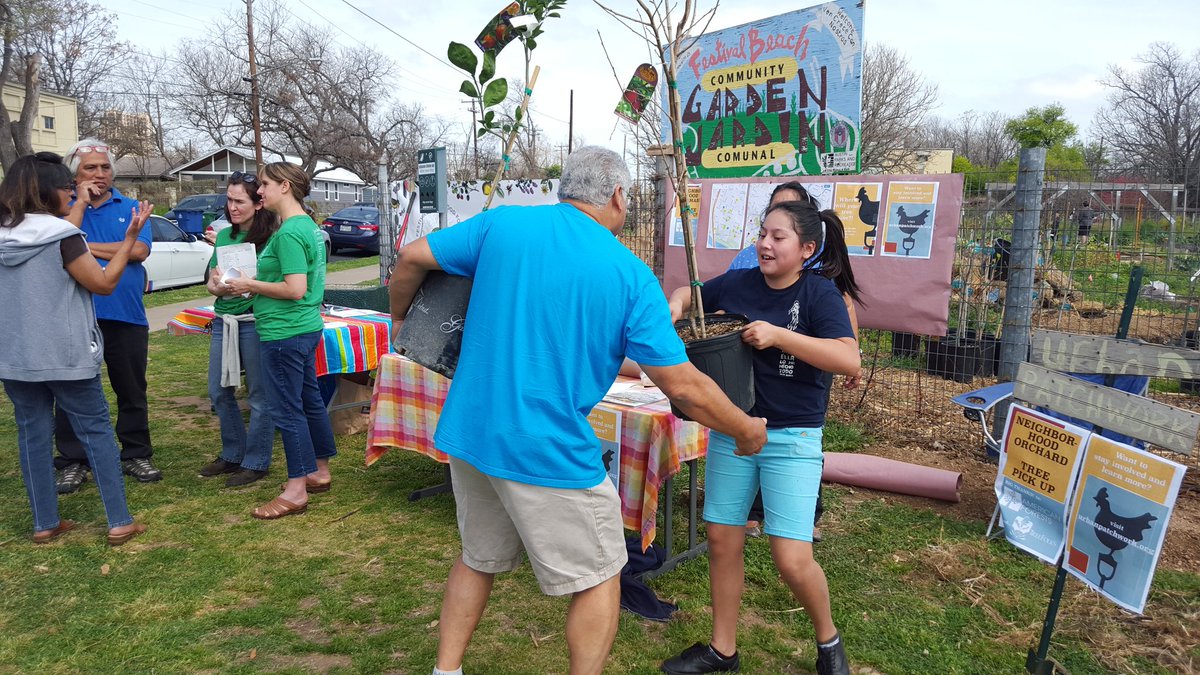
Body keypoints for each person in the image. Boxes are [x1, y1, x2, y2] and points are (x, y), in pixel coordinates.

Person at [388, 146, 767, 675]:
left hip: (471, 433)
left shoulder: (501, 226)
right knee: (599, 577)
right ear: (616, 196)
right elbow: (683, 388)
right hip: (547, 448)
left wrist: (400, 321)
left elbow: (409, 258)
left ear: (565, 188)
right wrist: (746, 429)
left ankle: (445, 670)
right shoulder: (631, 276)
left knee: (478, 558)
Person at [662, 200, 859, 675]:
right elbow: (693, 292)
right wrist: (676, 303)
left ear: (807, 248)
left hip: (792, 439)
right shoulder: (740, 282)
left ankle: (828, 641)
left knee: (791, 557)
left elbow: (848, 359)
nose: (765, 245)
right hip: (735, 431)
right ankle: (722, 649)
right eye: (762, 234)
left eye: (778, 237)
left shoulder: (819, 295)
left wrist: (779, 336)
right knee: (722, 538)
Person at [0, 152, 149, 546]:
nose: (73, 192)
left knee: (32, 437)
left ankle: (44, 523)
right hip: (67, 356)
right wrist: (129, 240)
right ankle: (119, 521)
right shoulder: (63, 237)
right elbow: (102, 284)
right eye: (67, 187)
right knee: (97, 433)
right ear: (47, 192)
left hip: (16, 359)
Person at [732, 183, 864, 542]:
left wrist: (852, 353)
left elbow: (843, 316)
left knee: (798, 444)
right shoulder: (749, 261)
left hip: (803, 381)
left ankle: (804, 511)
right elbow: (717, 298)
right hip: (753, 380)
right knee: (755, 434)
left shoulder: (817, 275)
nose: (767, 242)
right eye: (765, 229)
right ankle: (754, 511)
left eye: (781, 230)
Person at [225, 162, 334, 519]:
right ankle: (318, 470)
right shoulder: (309, 228)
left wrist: (250, 285)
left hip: (285, 333)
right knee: (309, 400)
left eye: (265, 184)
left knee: (287, 410)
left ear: (285, 186)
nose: (260, 192)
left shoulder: (288, 233)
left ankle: (296, 489)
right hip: (303, 327)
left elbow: (295, 288)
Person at [52, 139, 160, 493]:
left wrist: (79, 246)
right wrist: (83, 218)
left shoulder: (131, 207)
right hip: (75, 317)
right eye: (90, 168)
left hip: (126, 315)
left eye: (105, 167)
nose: (100, 174)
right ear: (74, 175)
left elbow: (140, 249)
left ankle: (136, 453)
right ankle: (73, 460)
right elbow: (56, 243)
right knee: (73, 393)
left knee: (131, 389)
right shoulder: (64, 208)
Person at [198, 171, 280, 487]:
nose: (232, 207)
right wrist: (217, 289)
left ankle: (256, 461)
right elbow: (212, 280)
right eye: (229, 200)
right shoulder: (224, 237)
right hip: (224, 321)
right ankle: (232, 453)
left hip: (254, 321)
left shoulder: (272, 238)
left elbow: (277, 282)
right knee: (219, 391)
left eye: (239, 201)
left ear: (258, 204)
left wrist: (250, 286)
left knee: (259, 395)